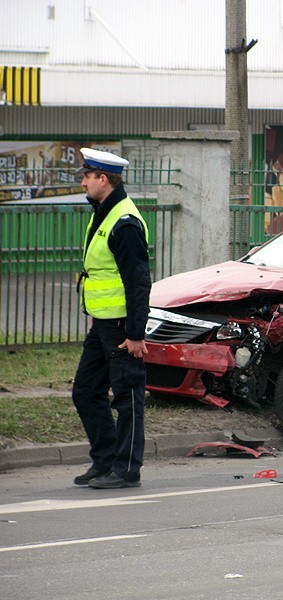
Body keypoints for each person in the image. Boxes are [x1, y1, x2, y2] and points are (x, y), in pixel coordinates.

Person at [71, 147, 151, 489]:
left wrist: (135, 334)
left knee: (127, 396)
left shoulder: (124, 222)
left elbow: (138, 281)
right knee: (86, 391)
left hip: (121, 327)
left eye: (87, 177)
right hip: (102, 323)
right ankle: (104, 460)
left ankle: (126, 469)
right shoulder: (103, 211)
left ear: (104, 179)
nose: (84, 183)